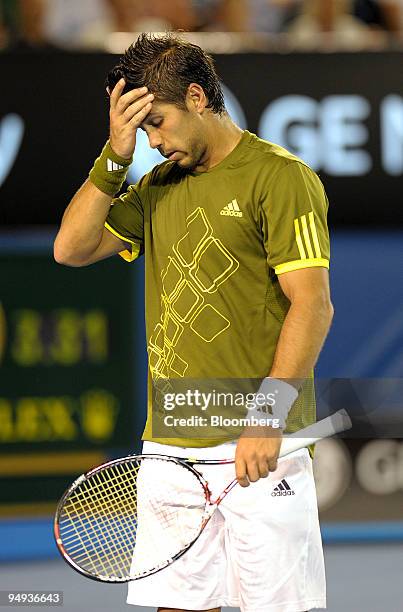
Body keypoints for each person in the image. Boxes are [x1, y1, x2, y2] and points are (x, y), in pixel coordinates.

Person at [54, 32, 333, 611]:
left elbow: (313, 305)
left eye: (157, 123)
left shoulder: (281, 178)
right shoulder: (155, 189)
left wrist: (267, 418)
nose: (154, 143)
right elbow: (70, 249)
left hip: (259, 441)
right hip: (171, 446)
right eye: (143, 130)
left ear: (198, 98)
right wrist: (115, 157)